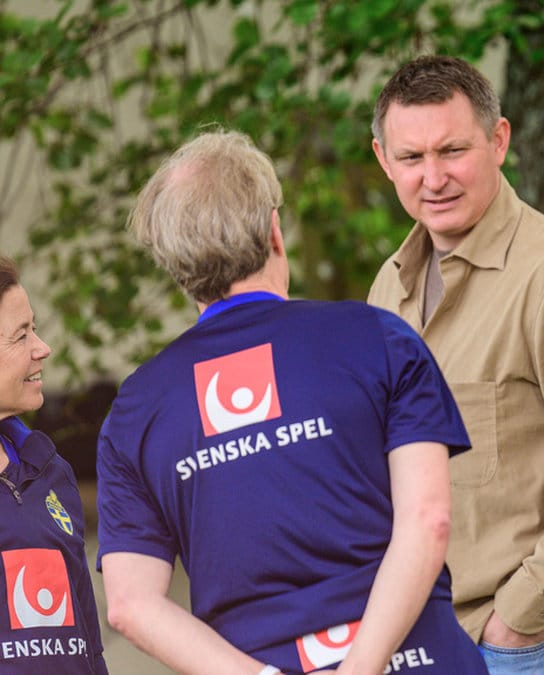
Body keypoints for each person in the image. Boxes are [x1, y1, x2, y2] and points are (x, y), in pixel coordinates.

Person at [95, 130, 487, 675]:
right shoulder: (376, 337)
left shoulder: (137, 409)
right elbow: (428, 521)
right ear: (273, 230)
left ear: (173, 262)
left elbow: (131, 603)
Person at [368, 56, 544, 674]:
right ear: (384, 160)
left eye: (453, 150)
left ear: (498, 141)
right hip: (428, 643)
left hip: (538, 647)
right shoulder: (389, 288)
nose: (434, 177)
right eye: (411, 157)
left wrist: (520, 615)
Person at [0, 257, 109, 674]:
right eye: (21, 335)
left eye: (35, 329)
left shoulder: (50, 470)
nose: (42, 347)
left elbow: (90, 648)